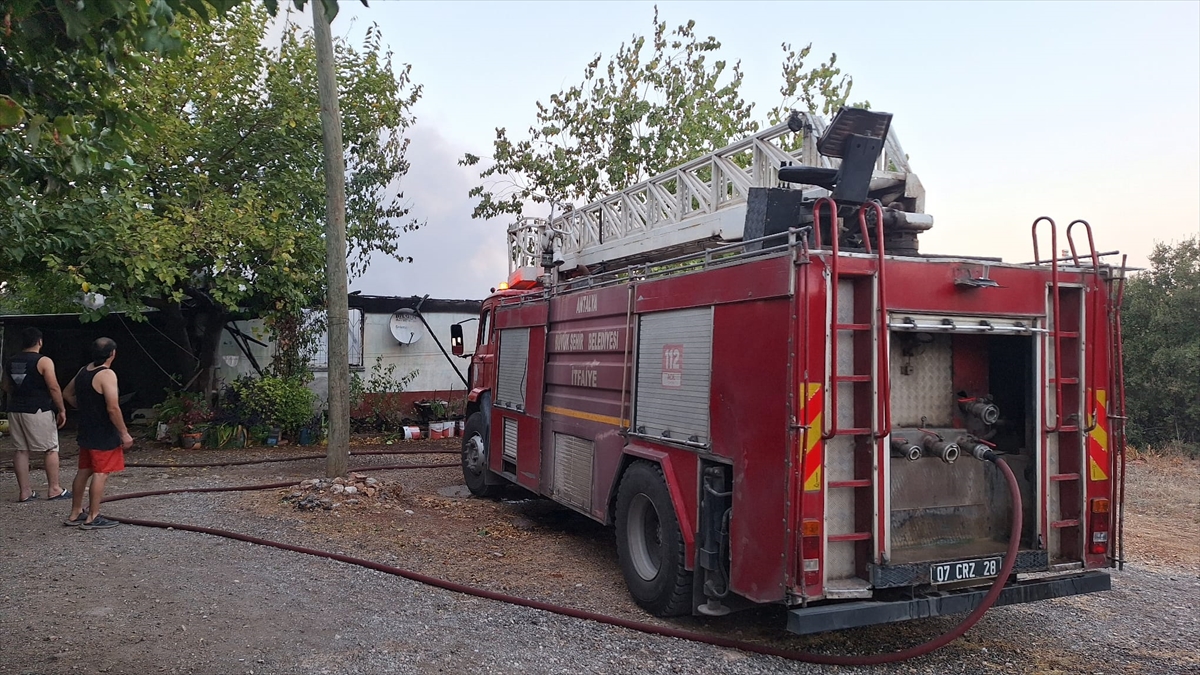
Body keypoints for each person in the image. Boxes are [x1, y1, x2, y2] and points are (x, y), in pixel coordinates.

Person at [62, 337, 133, 530]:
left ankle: (76, 512)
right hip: (103, 431)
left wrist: (84, 408)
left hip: (86, 429)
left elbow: (67, 393)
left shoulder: (83, 370)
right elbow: (113, 408)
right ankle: (93, 516)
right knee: (101, 473)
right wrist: (124, 433)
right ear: (113, 354)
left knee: (84, 471)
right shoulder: (107, 374)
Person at [2, 327, 69, 502]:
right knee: (50, 448)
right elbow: (53, 387)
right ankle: (54, 489)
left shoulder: (10, 361)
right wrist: (61, 409)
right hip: (38, 409)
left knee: (21, 450)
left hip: (15, 409)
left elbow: (5, 386)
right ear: (39, 341)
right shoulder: (43, 361)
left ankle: (25, 492)